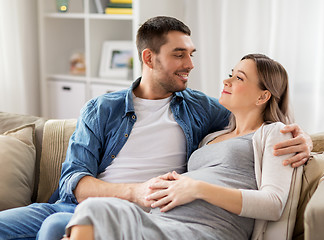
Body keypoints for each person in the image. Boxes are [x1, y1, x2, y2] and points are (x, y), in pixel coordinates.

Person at [0, 16, 311, 240]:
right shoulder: (102, 109)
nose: (190, 64)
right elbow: (73, 181)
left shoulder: (201, 110)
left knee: (54, 230)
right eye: (179, 54)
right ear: (149, 58)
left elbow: (260, 124)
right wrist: (136, 192)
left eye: (191, 54)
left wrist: (304, 139)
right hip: (77, 205)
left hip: (152, 217)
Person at [63, 53, 298, 240]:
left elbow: (273, 204)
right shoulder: (212, 136)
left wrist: (197, 189)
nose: (226, 81)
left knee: (92, 214)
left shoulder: (274, 133)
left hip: (206, 230)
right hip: (160, 221)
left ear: (262, 96)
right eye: (231, 74)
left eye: (239, 78)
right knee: (94, 209)